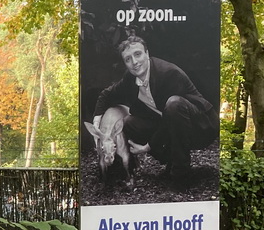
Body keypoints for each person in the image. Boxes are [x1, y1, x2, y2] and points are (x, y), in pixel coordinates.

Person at [92, 34, 216, 178]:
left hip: (201, 127)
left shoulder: (169, 73)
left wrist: (147, 146)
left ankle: (181, 172)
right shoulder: (130, 78)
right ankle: (171, 159)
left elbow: (172, 115)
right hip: (170, 123)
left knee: (173, 104)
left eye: (137, 54)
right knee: (129, 123)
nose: (134, 62)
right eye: (128, 59)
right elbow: (106, 94)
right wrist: (96, 123)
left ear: (147, 53)